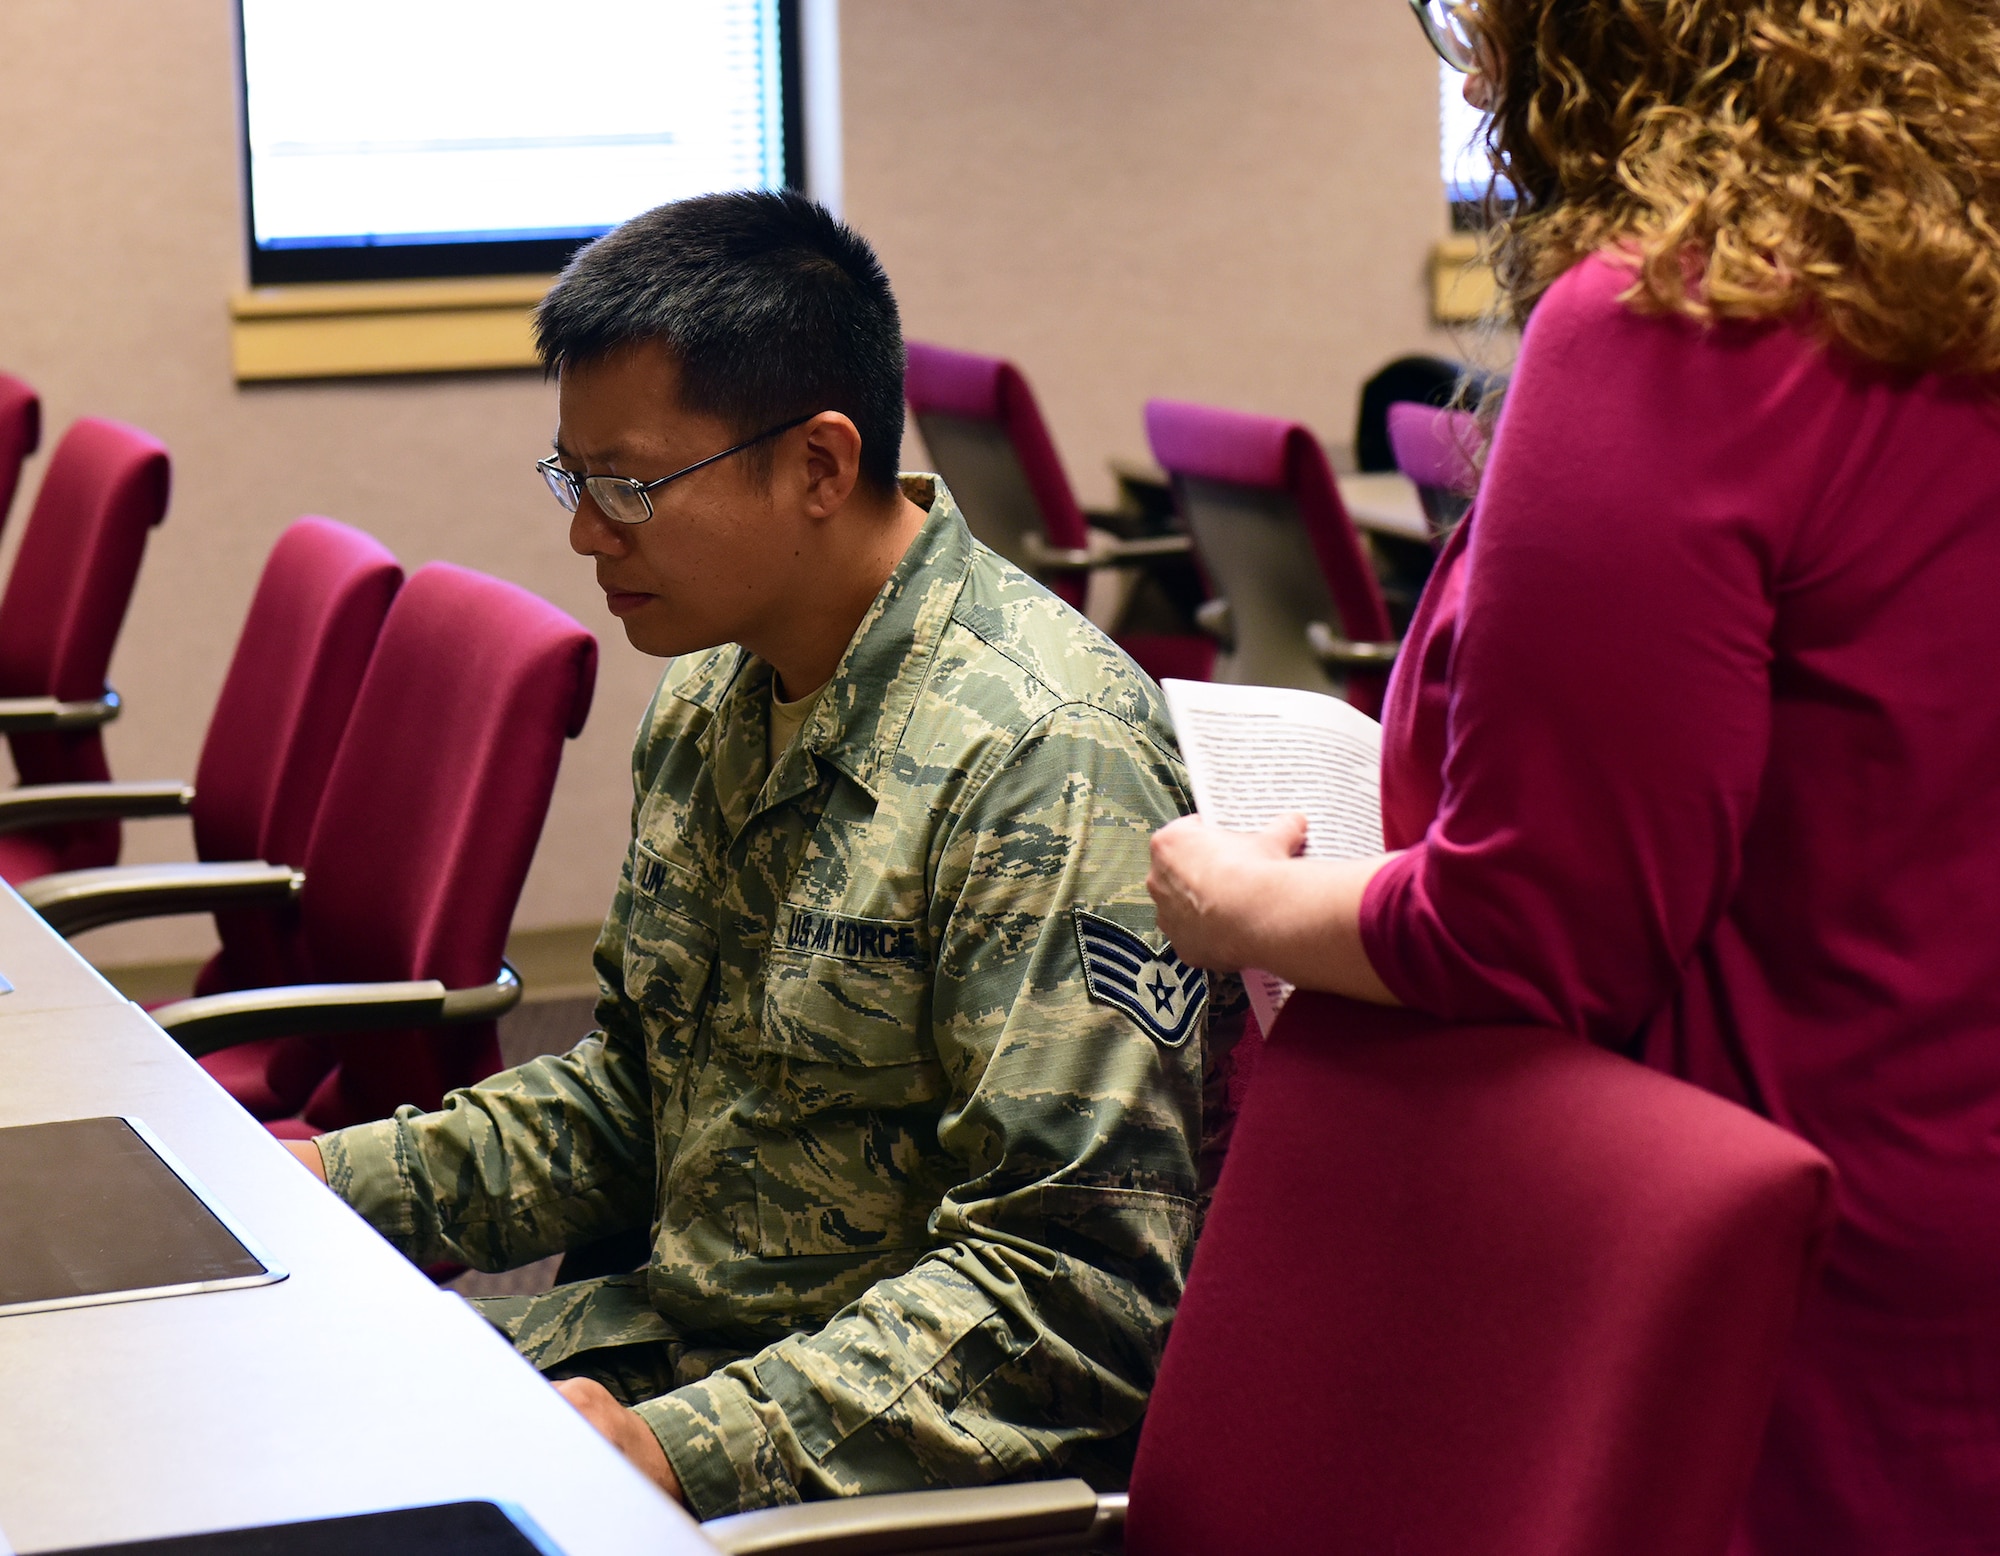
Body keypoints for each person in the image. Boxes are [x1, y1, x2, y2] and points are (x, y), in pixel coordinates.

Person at [1149, 0, 2000, 1549]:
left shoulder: (1683, 323)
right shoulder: (1950, 295)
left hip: (1768, 1231)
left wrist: (1242, 906)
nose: (1474, 65)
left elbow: (1532, 930)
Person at [287, 190, 1239, 1519]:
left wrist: (679, 1452)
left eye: (627, 487)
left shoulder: (1044, 758)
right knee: (248, 1443)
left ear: (819, 467)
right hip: (676, 1373)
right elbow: (642, 1094)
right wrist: (331, 1183)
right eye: (575, 479)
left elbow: (1070, 1292)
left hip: (875, 1488)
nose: (584, 533)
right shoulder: (718, 685)